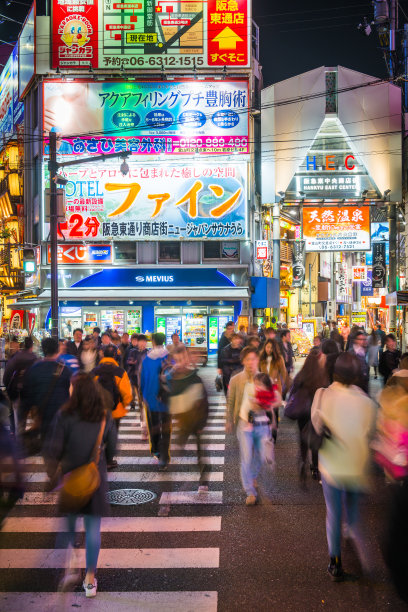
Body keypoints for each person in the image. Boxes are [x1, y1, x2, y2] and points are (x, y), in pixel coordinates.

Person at [46, 373, 117, 597]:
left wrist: (52, 475)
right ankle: (89, 579)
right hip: (94, 478)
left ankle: (71, 562)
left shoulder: (64, 415)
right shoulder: (104, 415)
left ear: (74, 391)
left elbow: (52, 449)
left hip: (70, 478)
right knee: (93, 529)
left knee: (69, 524)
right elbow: (113, 448)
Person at [311, 352, 376, 581]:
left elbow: (316, 425)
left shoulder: (323, 395)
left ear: (334, 372)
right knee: (354, 514)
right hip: (357, 464)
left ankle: (335, 561)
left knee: (333, 513)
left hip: (331, 466)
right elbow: (370, 432)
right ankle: (362, 552)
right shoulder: (367, 402)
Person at [226, 347, 280, 505]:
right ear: (243, 361)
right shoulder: (236, 379)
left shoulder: (264, 378)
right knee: (246, 457)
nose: (251, 362)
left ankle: (253, 476)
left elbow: (276, 399)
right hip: (244, 423)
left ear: (257, 360)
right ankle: (250, 491)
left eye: (254, 359)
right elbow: (230, 401)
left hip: (262, 423)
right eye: (248, 359)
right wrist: (229, 420)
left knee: (262, 456)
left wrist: (266, 405)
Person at [168, 345, 209, 489]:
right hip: (183, 421)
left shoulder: (194, 378)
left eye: (183, 359)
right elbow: (172, 399)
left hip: (196, 420)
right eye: (177, 360)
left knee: (199, 451)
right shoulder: (173, 377)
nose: (181, 362)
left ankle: (203, 477)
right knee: (178, 448)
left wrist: (201, 424)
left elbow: (204, 402)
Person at [285, 348, 328, 483]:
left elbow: (292, 391)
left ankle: (303, 461)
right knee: (315, 438)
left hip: (302, 411)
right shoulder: (322, 377)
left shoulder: (301, 375)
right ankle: (315, 467)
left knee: (303, 437)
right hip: (316, 411)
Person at [20, 338, 71, 447]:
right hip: (60, 416)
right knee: (60, 447)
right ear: (57, 350)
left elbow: (26, 396)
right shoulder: (64, 370)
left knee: (45, 445)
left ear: (43, 350)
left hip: (42, 416)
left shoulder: (33, 369)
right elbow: (69, 394)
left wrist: (23, 416)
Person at [92, 345, 132, 469]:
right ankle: (109, 460)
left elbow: (89, 389)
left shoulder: (95, 371)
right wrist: (124, 405)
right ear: (116, 356)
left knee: (99, 433)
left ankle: (98, 457)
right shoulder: (120, 372)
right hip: (116, 409)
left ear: (102, 355)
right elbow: (127, 393)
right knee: (112, 434)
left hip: (97, 409)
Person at [140, 332, 171, 470]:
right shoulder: (169, 357)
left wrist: (142, 396)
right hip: (167, 398)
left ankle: (157, 451)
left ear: (152, 341)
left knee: (154, 425)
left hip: (151, 397)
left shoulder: (147, 358)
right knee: (166, 426)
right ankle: (165, 455)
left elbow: (141, 379)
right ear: (163, 341)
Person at [3, 336, 37, 435]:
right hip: (32, 393)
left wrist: (10, 390)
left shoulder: (15, 358)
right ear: (32, 346)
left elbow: (6, 377)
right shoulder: (35, 359)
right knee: (34, 418)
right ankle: (32, 440)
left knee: (19, 419)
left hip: (17, 393)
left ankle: (19, 442)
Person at [259, 338, 287, 442]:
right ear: (265, 347)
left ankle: (274, 433)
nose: (269, 349)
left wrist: (285, 388)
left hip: (275, 388)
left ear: (274, 348)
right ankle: (267, 431)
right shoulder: (261, 358)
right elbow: (258, 373)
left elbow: (284, 373)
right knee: (265, 411)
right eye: (267, 347)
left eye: (271, 347)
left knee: (274, 411)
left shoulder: (279, 359)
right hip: (263, 389)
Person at [126, 334, 148, 434]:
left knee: (145, 402)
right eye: (141, 341)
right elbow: (129, 362)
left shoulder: (148, 353)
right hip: (135, 380)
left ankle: (144, 422)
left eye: (145, 341)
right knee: (140, 402)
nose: (143, 343)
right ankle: (143, 422)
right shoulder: (133, 351)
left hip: (146, 381)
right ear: (137, 342)